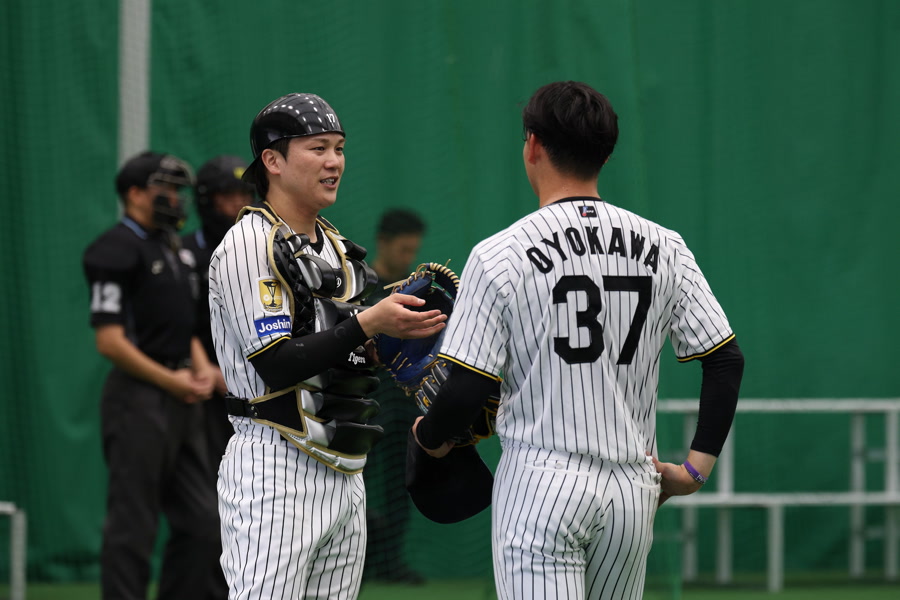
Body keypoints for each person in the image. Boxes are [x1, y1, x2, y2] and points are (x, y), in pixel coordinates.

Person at [410, 81, 745, 599]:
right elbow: (725, 361)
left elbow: (466, 388)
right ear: (605, 154)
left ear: (533, 145)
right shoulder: (666, 246)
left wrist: (429, 438)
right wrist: (694, 470)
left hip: (541, 482)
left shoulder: (499, 254)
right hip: (632, 490)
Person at [207, 93, 447, 600]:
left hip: (345, 467)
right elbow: (276, 364)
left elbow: (340, 351)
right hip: (275, 464)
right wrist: (368, 322)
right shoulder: (249, 243)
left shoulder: (335, 246)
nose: (334, 161)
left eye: (339, 148)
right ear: (272, 161)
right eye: (317, 148)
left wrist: (386, 342)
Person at [82, 151, 224, 600]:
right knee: (134, 525)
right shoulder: (114, 249)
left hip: (184, 399)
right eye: (166, 189)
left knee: (205, 522)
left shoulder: (175, 248)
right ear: (135, 193)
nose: (176, 199)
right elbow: (110, 341)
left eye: (180, 191)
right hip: (138, 401)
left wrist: (201, 370)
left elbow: (184, 327)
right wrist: (170, 380)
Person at [181, 155, 255, 599]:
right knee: (204, 515)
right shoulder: (186, 253)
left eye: (245, 194)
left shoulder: (257, 248)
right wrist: (206, 368)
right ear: (207, 201)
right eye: (229, 196)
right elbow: (181, 323)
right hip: (198, 396)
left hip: (249, 398)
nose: (238, 204)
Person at [362, 209, 427, 584]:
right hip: (365, 407)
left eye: (413, 250)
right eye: (403, 249)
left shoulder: (414, 292)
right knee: (357, 483)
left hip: (404, 408)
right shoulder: (363, 287)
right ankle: (354, 557)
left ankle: (390, 563)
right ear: (383, 242)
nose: (408, 257)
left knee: (401, 485)